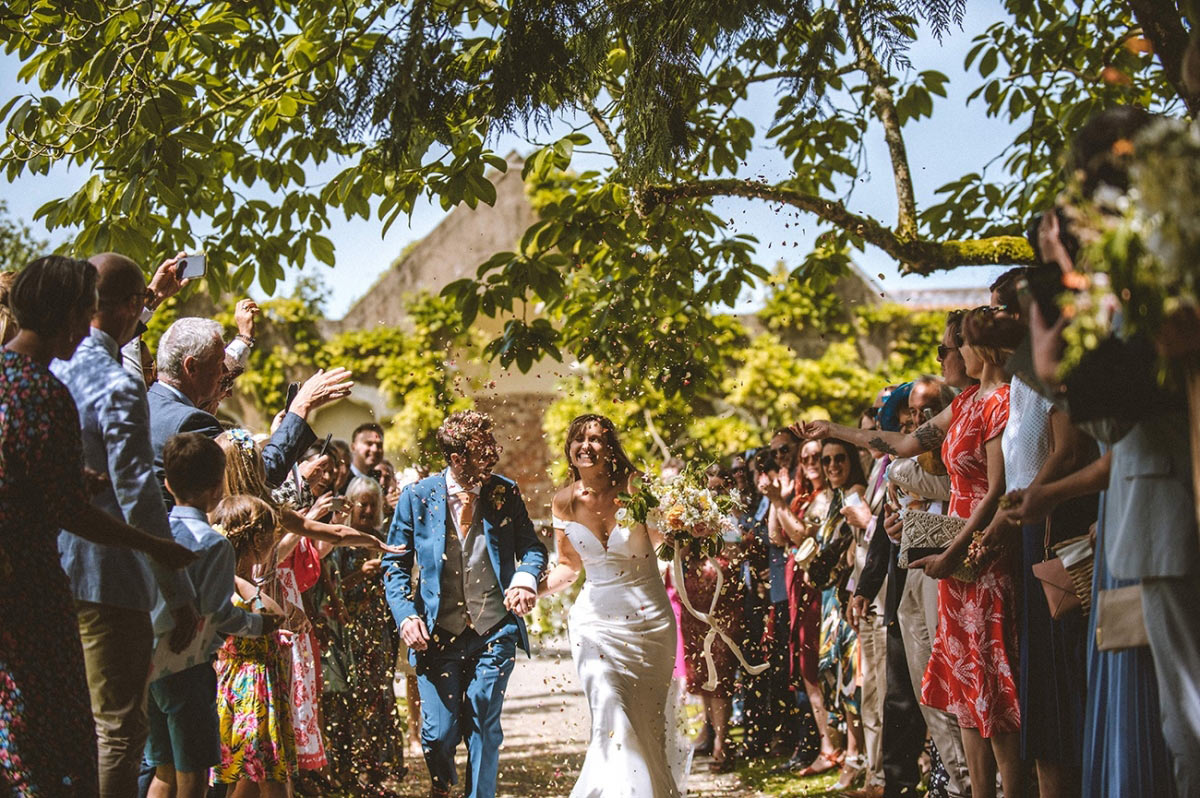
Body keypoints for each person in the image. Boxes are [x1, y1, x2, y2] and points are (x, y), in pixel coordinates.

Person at [802, 305, 1027, 798]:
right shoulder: (966, 402)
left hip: (984, 550)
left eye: (949, 346)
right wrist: (835, 431)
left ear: (978, 346)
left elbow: (995, 490)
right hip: (954, 550)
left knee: (993, 688)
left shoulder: (1002, 402)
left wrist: (958, 553)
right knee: (964, 688)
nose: (946, 356)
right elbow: (903, 443)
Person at [0, 255, 194, 796]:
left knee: (26, 726)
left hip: (37, 576)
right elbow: (127, 496)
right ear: (68, 314)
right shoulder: (70, 388)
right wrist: (166, 565)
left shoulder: (27, 373)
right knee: (103, 731)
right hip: (68, 582)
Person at [383, 410, 547, 798]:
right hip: (437, 635)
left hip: (493, 630)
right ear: (457, 458)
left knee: (483, 721)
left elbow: (532, 548)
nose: (494, 452)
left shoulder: (504, 493)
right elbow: (394, 565)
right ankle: (441, 783)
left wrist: (524, 579)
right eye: (482, 448)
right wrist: (406, 616)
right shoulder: (417, 497)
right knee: (438, 734)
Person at [540, 413, 684, 798]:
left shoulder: (636, 488)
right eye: (578, 439)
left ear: (610, 447)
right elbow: (569, 568)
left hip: (648, 622)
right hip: (595, 625)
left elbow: (663, 538)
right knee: (611, 713)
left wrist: (688, 525)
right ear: (569, 449)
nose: (585, 445)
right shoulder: (564, 501)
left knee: (646, 724)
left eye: (595, 439)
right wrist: (528, 591)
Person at [145, 433, 278, 798]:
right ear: (219, 485)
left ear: (168, 483)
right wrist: (260, 624)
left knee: (164, 771)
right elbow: (219, 615)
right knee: (193, 776)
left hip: (151, 665)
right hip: (189, 669)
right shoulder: (214, 544)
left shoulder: (153, 534)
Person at [147, 316, 353, 498]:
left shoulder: (146, 402)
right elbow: (257, 477)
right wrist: (301, 407)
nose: (222, 376)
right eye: (219, 365)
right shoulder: (191, 422)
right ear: (191, 367)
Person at [209, 496, 297, 797]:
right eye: (271, 535)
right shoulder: (230, 581)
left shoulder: (240, 580)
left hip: (260, 686)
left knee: (250, 782)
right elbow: (273, 613)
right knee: (269, 780)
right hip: (249, 690)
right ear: (256, 539)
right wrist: (243, 582)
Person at [327, 476, 406, 796]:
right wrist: (361, 574)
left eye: (372, 504)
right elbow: (330, 590)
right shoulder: (338, 542)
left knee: (379, 698)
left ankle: (378, 772)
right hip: (347, 633)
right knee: (348, 702)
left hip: (380, 631)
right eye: (362, 503)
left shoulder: (385, 538)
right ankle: (348, 772)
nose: (368, 509)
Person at [810, 438, 869, 792]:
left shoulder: (854, 493)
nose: (831, 465)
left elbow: (854, 547)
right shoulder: (834, 498)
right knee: (836, 673)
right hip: (831, 594)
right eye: (825, 459)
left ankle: (855, 757)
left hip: (849, 592)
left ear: (852, 461)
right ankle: (851, 755)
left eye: (838, 459)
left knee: (850, 675)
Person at [678, 465, 745, 772]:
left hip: (721, 603)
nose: (712, 495)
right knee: (700, 669)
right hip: (693, 602)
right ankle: (707, 731)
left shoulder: (731, 520)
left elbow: (734, 555)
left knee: (720, 671)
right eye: (709, 490)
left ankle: (722, 742)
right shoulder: (689, 519)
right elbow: (677, 557)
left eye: (718, 489)